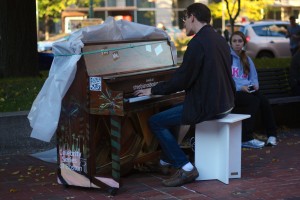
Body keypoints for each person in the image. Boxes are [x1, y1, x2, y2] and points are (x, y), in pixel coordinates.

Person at [133, 3, 235, 187]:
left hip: (208, 106)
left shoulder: (197, 43)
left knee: (155, 121)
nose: (184, 23)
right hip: (225, 102)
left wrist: (153, 90)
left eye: (185, 19)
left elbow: (182, 80)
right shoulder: (218, 39)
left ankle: (186, 167)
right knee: (173, 111)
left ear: (193, 17)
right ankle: (165, 161)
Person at [230, 31, 278, 148]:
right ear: (230, 43)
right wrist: (241, 87)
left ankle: (272, 135)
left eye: (240, 41)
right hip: (233, 92)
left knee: (264, 101)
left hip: (248, 90)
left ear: (243, 43)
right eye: (234, 41)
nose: (237, 44)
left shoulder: (246, 58)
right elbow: (225, 81)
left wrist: (254, 85)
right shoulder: (227, 59)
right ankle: (246, 138)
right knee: (253, 101)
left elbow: (253, 77)